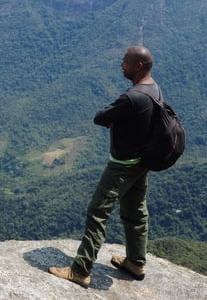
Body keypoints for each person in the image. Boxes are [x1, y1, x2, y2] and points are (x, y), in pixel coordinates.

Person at [48, 45, 158, 288]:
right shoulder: (154, 89)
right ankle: (136, 262)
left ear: (138, 66)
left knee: (97, 212)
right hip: (141, 163)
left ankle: (80, 270)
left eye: (125, 62)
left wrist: (114, 122)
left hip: (122, 165)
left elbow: (100, 116)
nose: (122, 65)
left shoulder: (132, 97)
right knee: (136, 212)